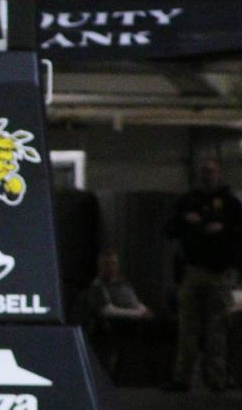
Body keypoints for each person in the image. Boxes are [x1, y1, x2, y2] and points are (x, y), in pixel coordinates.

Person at [165, 156, 241, 393]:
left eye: (211, 172)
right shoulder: (187, 201)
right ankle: (183, 377)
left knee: (216, 329)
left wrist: (224, 229)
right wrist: (186, 221)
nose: (207, 177)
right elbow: (169, 230)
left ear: (218, 175)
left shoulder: (230, 203)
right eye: (204, 172)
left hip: (219, 273)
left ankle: (215, 379)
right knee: (188, 327)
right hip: (193, 270)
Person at [83, 249, 156, 380]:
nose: (111, 267)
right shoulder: (97, 286)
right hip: (107, 329)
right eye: (107, 264)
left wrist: (144, 310)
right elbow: (106, 310)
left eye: (113, 263)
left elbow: (134, 302)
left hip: (131, 327)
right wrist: (137, 314)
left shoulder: (123, 284)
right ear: (101, 266)